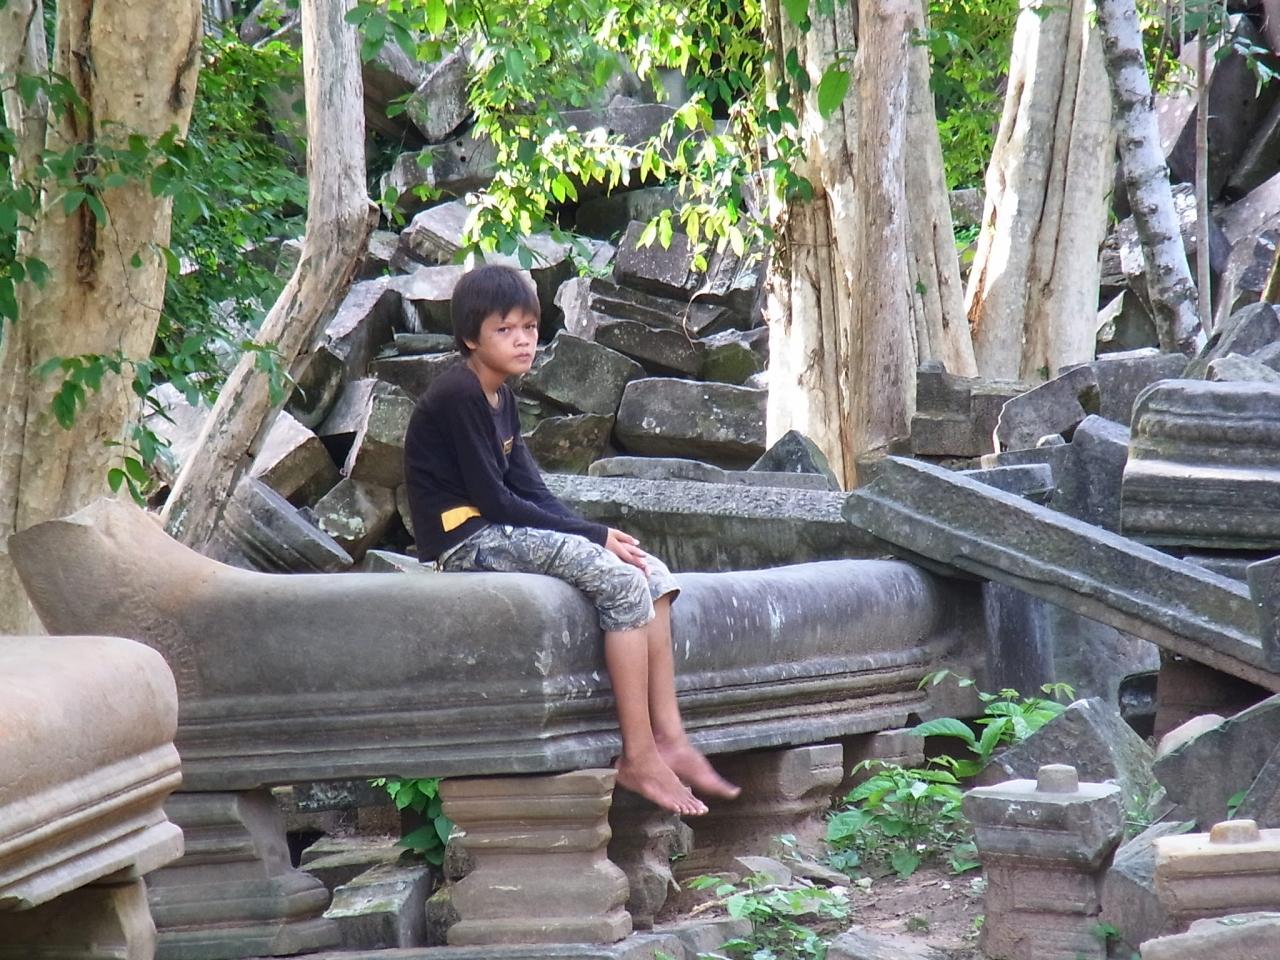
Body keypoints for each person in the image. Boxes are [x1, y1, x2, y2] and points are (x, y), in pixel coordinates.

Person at [403, 264, 739, 816]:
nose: (522, 340)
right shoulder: (459, 394)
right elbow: (496, 501)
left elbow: (532, 490)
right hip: (467, 540)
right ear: (470, 338)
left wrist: (599, 536)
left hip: (499, 527)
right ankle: (638, 755)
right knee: (621, 583)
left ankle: (670, 738)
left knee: (651, 574)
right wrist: (594, 536)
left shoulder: (502, 396)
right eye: (504, 330)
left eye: (529, 328)